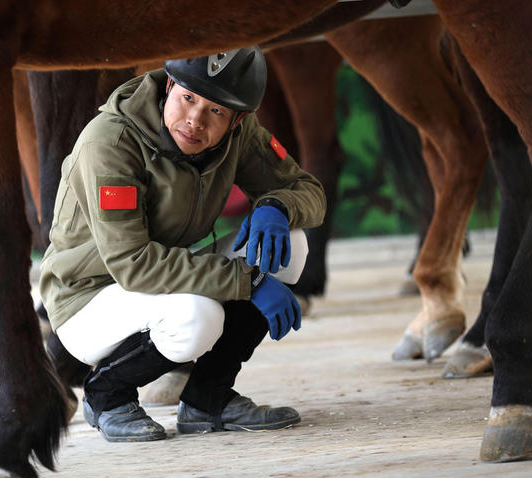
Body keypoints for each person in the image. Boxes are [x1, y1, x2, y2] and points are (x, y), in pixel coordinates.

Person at [39, 47, 326, 443]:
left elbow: (307, 190)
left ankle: (209, 399)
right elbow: (133, 264)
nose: (195, 120)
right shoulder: (109, 143)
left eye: (216, 111)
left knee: (289, 245)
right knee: (197, 316)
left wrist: (277, 205)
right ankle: (106, 395)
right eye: (188, 98)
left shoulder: (239, 135)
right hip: (87, 297)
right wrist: (252, 281)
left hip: (164, 276)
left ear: (237, 118)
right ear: (169, 85)